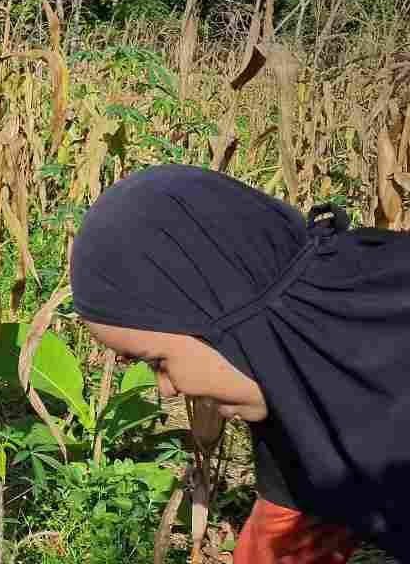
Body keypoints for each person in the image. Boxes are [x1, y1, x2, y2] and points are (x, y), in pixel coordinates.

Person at [69, 163, 410, 562]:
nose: (166, 389)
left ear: (227, 317)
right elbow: (287, 536)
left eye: (158, 362)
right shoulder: (297, 367)